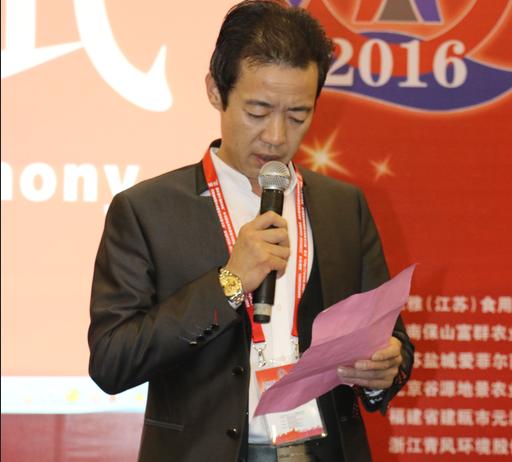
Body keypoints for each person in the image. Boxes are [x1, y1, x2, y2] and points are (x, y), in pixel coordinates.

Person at [88, 1, 414, 461]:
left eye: (297, 115)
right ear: (215, 91)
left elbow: (391, 338)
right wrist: (229, 282)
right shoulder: (147, 211)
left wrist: (385, 367)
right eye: (258, 111)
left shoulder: (344, 206)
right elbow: (111, 361)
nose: (277, 136)